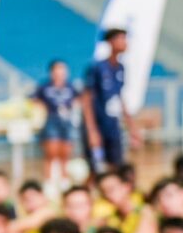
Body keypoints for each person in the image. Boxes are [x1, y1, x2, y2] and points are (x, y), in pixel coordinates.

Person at [82, 27, 141, 176]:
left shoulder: (121, 68)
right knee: (96, 168)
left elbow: (120, 98)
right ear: (111, 42)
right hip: (98, 124)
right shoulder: (97, 67)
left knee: (116, 166)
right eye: (121, 39)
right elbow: (86, 99)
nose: (125, 42)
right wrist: (92, 130)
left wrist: (132, 128)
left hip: (113, 125)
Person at [34, 60, 80, 183]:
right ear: (51, 72)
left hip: (67, 121)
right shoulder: (44, 87)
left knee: (65, 153)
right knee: (51, 153)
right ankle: (49, 182)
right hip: (51, 120)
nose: (60, 73)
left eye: (63, 69)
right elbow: (34, 101)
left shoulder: (71, 87)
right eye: (57, 69)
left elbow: (79, 100)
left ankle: (64, 181)